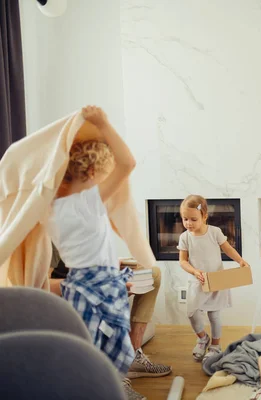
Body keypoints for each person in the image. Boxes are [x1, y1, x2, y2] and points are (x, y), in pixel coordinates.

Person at [46, 105, 156, 400]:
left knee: (91, 351)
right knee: (110, 356)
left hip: (83, 283)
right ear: (93, 171)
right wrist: (103, 123)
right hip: (100, 283)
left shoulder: (50, 208)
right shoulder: (87, 200)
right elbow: (128, 162)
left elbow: (86, 247)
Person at [49, 244, 172, 400]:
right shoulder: (47, 233)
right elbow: (42, 285)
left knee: (153, 273)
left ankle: (132, 354)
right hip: (69, 292)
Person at [177, 195, 250, 362]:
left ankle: (216, 345)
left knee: (214, 315)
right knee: (192, 313)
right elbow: (182, 261)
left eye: (193, 219)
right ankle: (203, 338)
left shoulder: (214, 232)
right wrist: (195, 271)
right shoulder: (185, 237)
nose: (189, 223)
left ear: (204, 216)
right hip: (197, 280)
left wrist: (240, 260)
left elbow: (228, 248)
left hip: (216, 280)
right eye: (185, 219)